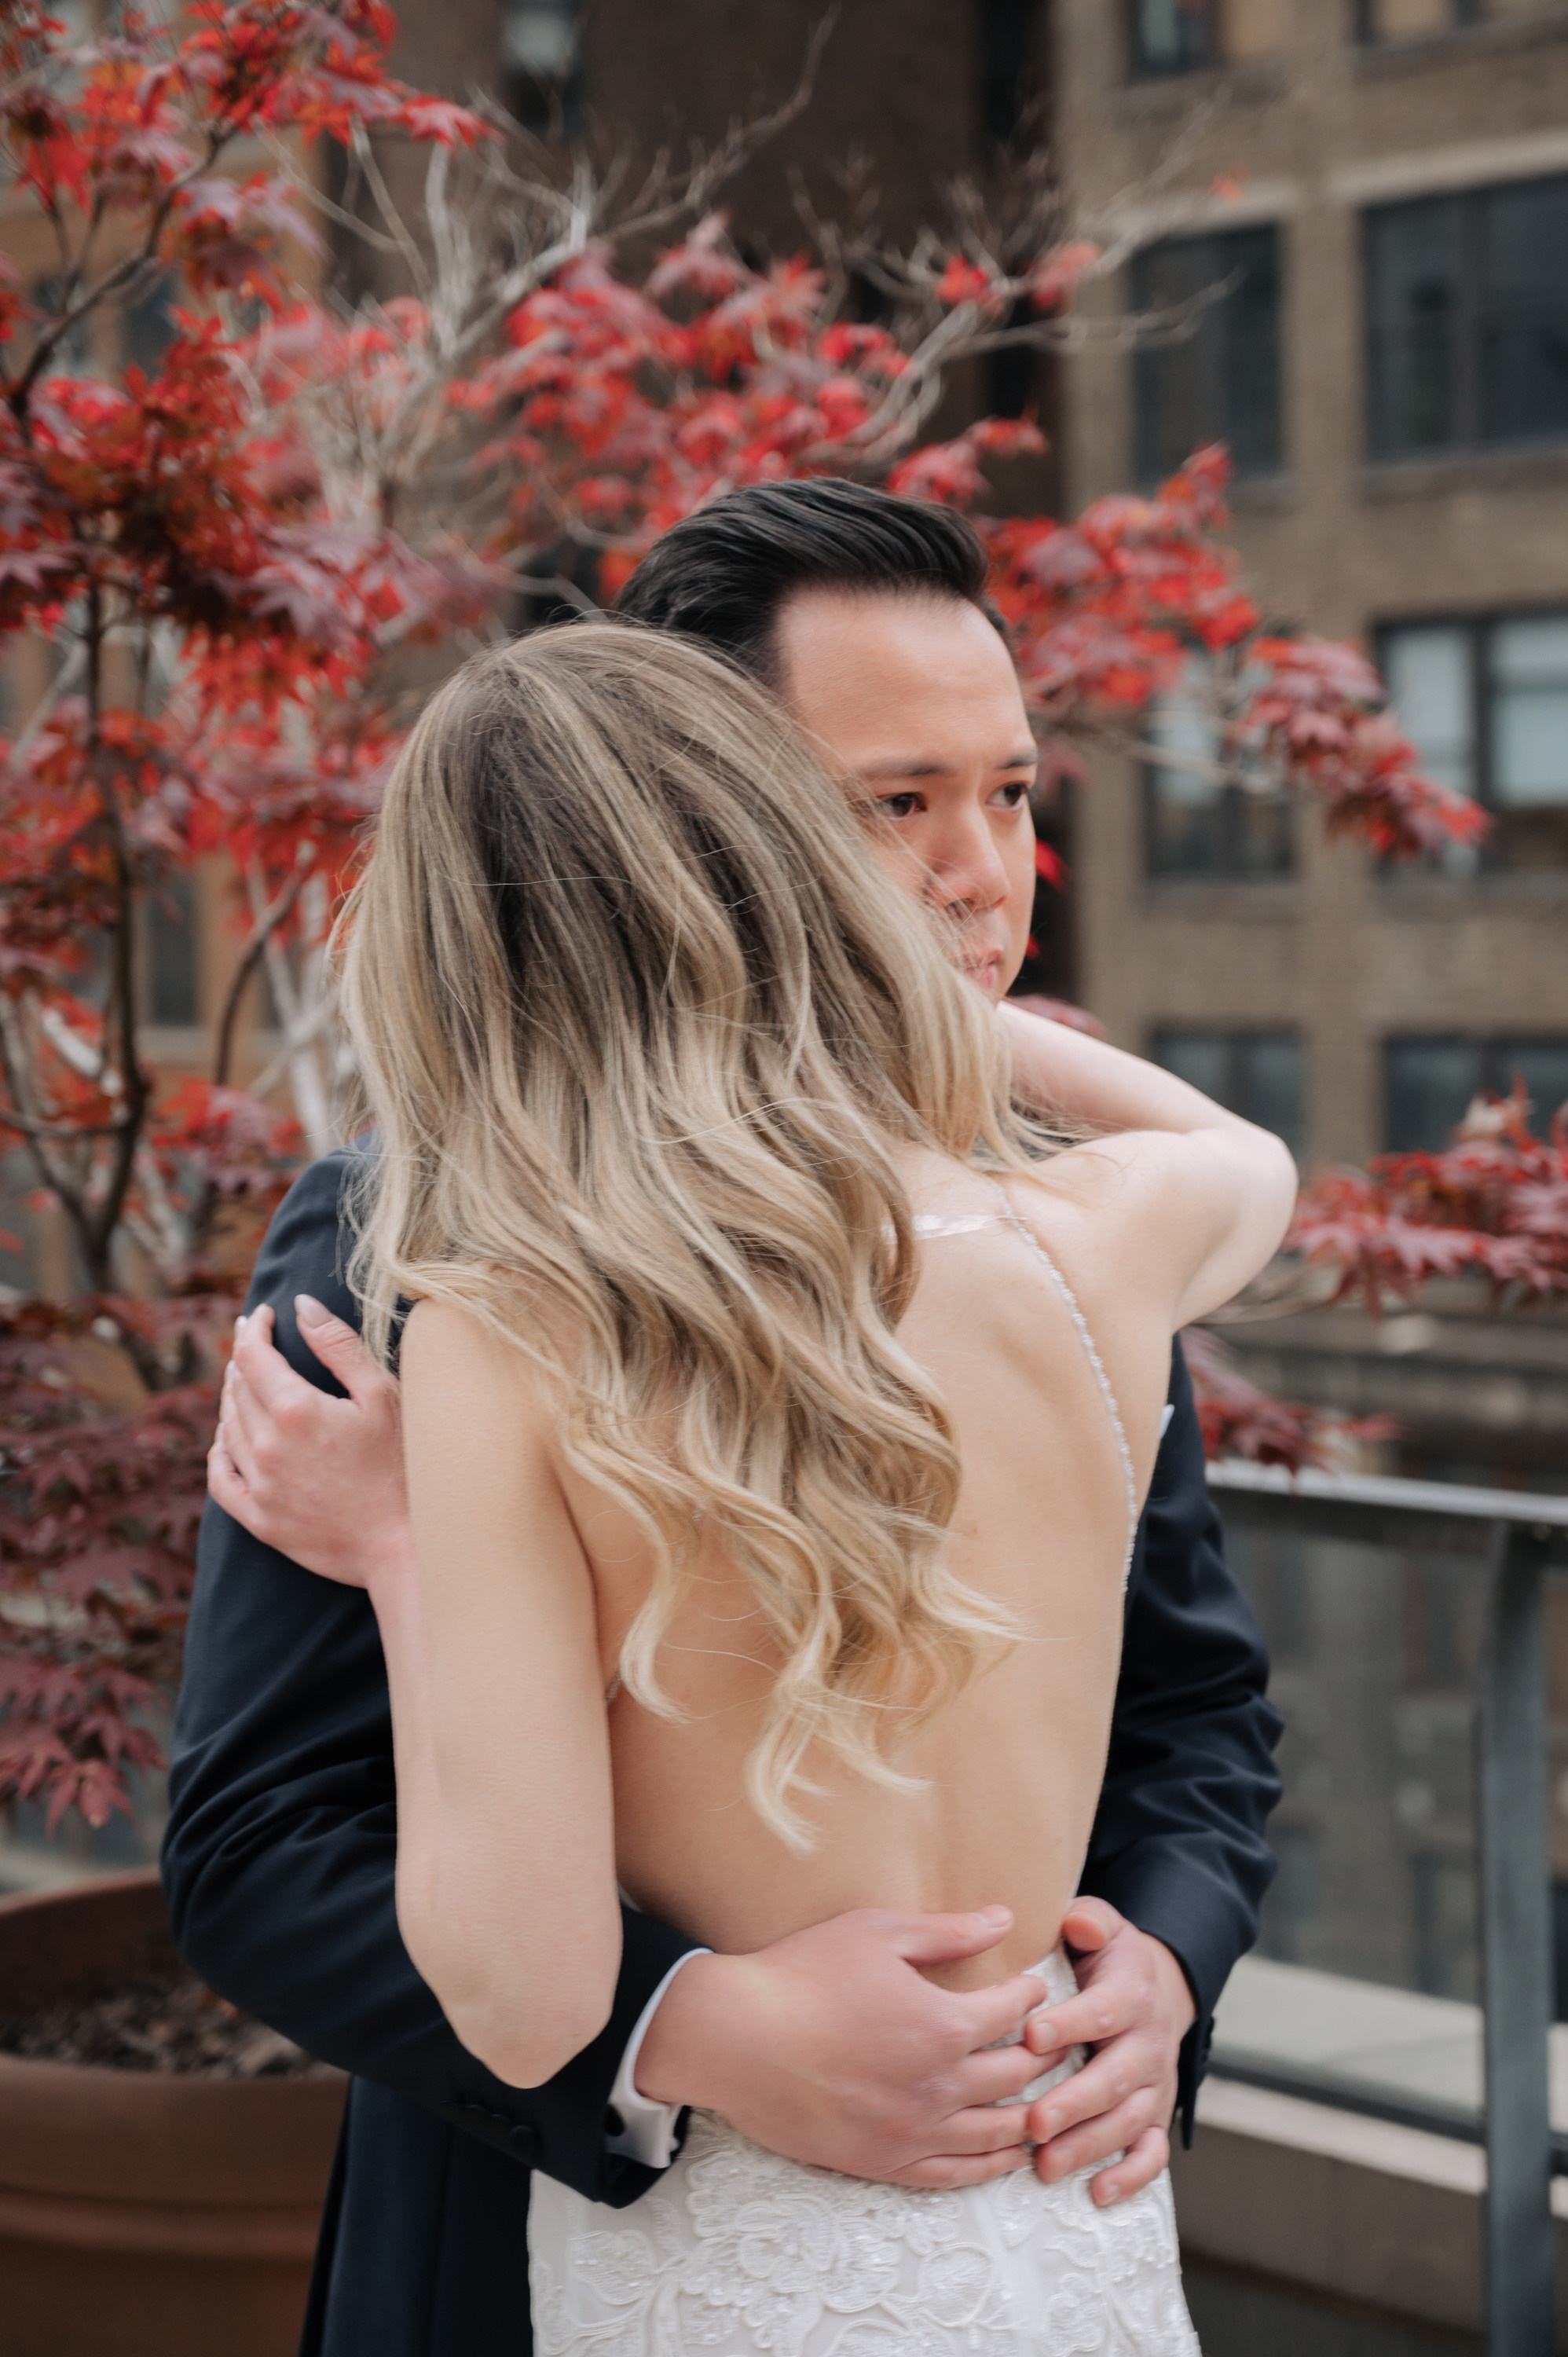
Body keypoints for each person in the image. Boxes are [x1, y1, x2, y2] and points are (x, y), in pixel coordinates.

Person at [164, 482, 1283, 2357]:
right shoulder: (417, 1233)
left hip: (1037, 2176)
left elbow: (1190, 1706)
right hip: (559, 2240)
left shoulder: (1043, 1202)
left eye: (1008, 794)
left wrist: (1158, 1963)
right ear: (709, 818)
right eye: (894, 805)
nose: (981, 873)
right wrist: (693, 2034)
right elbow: (259, 1839)